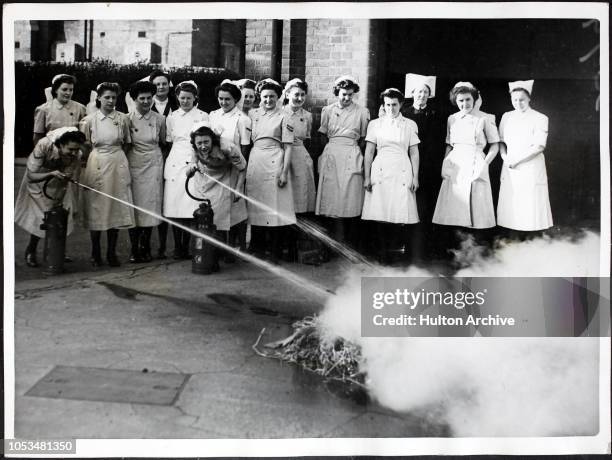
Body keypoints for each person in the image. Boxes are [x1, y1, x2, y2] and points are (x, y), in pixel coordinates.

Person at [432, 82, 500, 250]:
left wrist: (484, 165)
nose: (464, 104)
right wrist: (444, 165)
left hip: (476, 162)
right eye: (460, 100)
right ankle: (455, 252)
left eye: (468, 99)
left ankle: (475, 253)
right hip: (454, 164)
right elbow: (449, 144)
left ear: (475, 98)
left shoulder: (486, 118)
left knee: (476, 209)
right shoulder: (452, 118)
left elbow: (495, 145)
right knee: (453, 208)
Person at [79, 82, 134, 267]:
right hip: (97, 163)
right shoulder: (89, 120)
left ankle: (111, 252)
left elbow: (127, 142)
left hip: (117, 163)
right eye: (107, 97)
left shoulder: (123, 119)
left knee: (115, 208)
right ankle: (95, 253)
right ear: (99, 98)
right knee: (97, 207)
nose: (110, 101)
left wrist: (117, 158)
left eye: (113, 97)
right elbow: (85, 145)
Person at [362, 88, 420, 264]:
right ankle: (382, 253)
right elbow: (369, 152)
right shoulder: (375, 124)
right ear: (383, 105)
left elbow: (414, 152)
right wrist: (366, 177)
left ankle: (397, 253)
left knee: (399, 212)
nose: (391, 108)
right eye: (387, 105)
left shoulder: (410, 124)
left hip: (402, 168)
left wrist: (415, 177)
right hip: (381, 169)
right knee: (381, 211)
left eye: (394, 105)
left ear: (401, 104)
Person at [15, 127, 86, 267]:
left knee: (60, 214)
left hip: (58, 181)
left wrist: (59, 198)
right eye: (70, 149)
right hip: (38, 178)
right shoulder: (43, 144)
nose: (73, 153)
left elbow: (68, 177)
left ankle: (56, 250)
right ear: (60, 145)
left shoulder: (77, 155)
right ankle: (31, 250)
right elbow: (31, 176)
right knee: (41, 217)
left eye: (76, 149)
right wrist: (50, 174)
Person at [315, 75, 370, 249]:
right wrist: (330, 152)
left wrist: (351, 150)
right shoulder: (328, 110)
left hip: (351, 155)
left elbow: (363, 138)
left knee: (351, 199)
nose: (347, 98)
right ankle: (329, 246)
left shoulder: (362, 111)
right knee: (330, 200)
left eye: (350, 95)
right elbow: (323, 135)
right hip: (331, 154)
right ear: (337, 92)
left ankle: (351, 246)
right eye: (343, 94)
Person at [246, 78, 296, 260]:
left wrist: (284, 172)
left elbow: (288, 146)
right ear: (260, 96)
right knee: (256, 205)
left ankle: (274, 251)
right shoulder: (253, 114)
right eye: (265, 96)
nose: (268, 100)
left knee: (275, 207)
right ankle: (257, 248)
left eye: (272, 97)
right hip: (256, 159)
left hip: (275, 159)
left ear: (278, 97)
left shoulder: (285, 116)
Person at [186, 123, 247, 270]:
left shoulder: (228, 148)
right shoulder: (194, 148)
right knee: (205, 220)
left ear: (212, 140)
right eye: (199, 143)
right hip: (204, 181)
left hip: (224, 179)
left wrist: (238, 189)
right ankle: (208, 255)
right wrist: (191, 168)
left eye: (206, 142)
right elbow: (189, 170)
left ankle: (218, 255)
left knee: (219, 220)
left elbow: (243, 167)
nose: (203, 146)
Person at [497, 80, 552, 237]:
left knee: (530, 205)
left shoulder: (540, 118)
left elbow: (539, 146)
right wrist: (505, 158)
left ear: (529, 99)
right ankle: (513, 242)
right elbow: (501, 141)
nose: (518, 103)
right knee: (512, 204)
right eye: (514, 100)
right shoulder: (507, 117)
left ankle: (532, 242)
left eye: (521, 99)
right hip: (509, 166)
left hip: (530, 166)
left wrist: (517, 160)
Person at [163, 80, 209, 259]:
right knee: (175, 206)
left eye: (189, 98)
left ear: (195, 98)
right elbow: (168, 141)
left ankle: (189, 246)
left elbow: (205, 141)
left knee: (191, 204)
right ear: (177, 98)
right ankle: (177, 247)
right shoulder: (172, 117)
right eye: (182, 98)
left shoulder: (203, 116)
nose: (185, 101)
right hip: (175, 160)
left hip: (194, 159)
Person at [401, 73, 444, 261]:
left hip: (429, 167)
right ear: (413, 93)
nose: (422, 95)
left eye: (425, 92)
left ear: (429, 94)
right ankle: (409, 249)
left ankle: (426, 250)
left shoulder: (436, 114)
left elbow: (438, 142)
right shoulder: (405, 114)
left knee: (427, 208)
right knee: (409, 207)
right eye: (419, 92)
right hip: (408, 165)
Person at [209, 80, 251, 259]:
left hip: (236, 168)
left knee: (236, 207)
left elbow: (245, 148)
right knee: (218, 208)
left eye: (227, 99)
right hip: (217, 169)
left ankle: (237, 248)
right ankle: (220, 248)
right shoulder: (212, 115)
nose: (223, 102)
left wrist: (242, 175)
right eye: (221, 99)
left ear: (235, 100)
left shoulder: (242, 119)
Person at [126, 80, 167, 263]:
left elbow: (164, 143)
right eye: (141, 98)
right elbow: (125, 145)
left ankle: (146, 246)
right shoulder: (126, 119)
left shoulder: (160, 119)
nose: (145, 102)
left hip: (153, 166)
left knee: (150, 207)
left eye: (149, 98)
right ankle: (134, 249)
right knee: (135, 207)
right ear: (134, 100)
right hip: (135, 165)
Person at [149, 70, 178, 259]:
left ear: (169, 85)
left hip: (172, 156)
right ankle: (155, 246)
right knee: (154, 201)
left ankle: (170, 245)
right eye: (157, 84)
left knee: (171, 201)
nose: (161, 87)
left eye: (164, 84)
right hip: (152, 157)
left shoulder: (177, 104)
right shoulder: (145, 103)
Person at [33, 74, 87, 146]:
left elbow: (84, 135)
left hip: (73, 153)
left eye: (71, 90)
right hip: (51, 152)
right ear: (56, 90)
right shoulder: (43, 109)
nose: (68, 93)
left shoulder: (81, 108)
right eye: (64, 89)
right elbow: (37, 137)